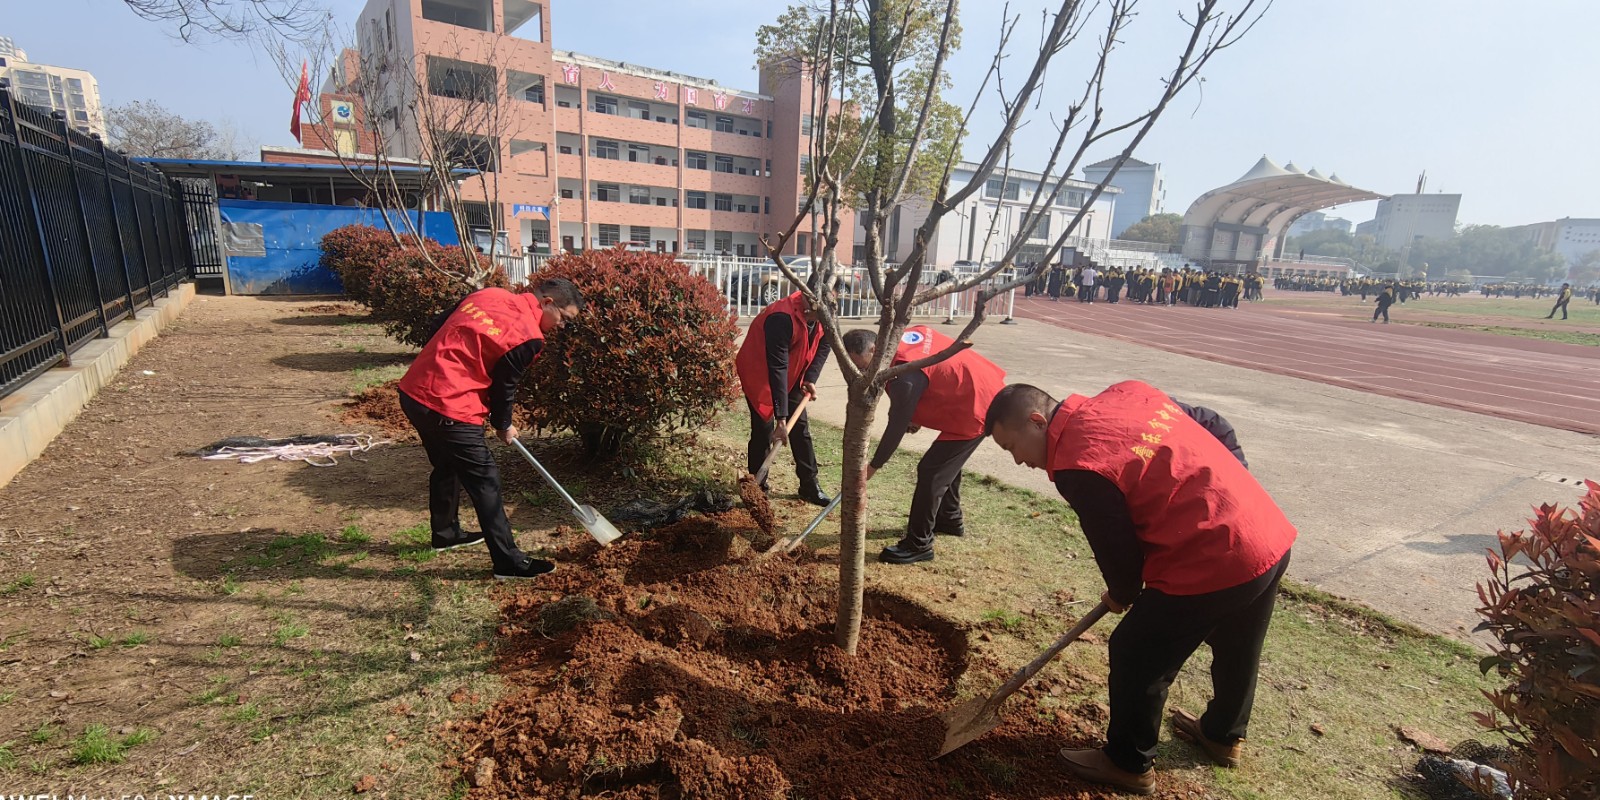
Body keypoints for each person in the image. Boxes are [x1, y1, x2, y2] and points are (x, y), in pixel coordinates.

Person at [984, 382, 1294, 794]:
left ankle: (1128, 763)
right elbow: (1212, 422)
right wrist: (1232, 497)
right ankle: (1223, 735)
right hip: (1265, 531)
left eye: (1011, 447)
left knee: (1134, 650)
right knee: (1239, 641)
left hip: (1214, 556)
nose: (1018, 461)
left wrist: (1122, 591)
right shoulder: (1128, 394)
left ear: (1037, 422)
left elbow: (1117, 548)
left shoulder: (1079, 464)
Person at [397, 279, 586, 580]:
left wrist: (442, 365)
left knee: (447, 463)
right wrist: (503, 425)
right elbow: (504, 386)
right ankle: (509, 562)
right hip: (451, 406)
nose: (562, 326)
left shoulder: (488, 295)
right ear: (548, 302)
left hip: (414, 392)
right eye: (564, 318)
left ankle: (446, 533)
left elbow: (438, 325)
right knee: (486, 480)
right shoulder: (529, 337)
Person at [841, 326, 1006, 565]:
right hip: (972, 389)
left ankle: (919, 544)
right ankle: (949, 519)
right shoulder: (902, 337)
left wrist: (873, 467)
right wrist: (913, 412)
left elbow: (896, 425)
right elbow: (930, 378)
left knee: (932, 471)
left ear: (874, 350)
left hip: (978, 404)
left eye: (863, 367)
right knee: (946, 464)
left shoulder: (905, 377)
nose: (862, 373)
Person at [735, 290, 832, 506]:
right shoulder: (780, 317)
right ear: (806, 300)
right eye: (815, 312)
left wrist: (810, 378)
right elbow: (777, 367)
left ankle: (809, 485)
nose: (818, 318)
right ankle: (757, 490)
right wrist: (781, 419)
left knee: (800, 428)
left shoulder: (826, 309)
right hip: (760, 372)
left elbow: (825, 343)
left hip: (793, 374)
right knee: (763, 430)